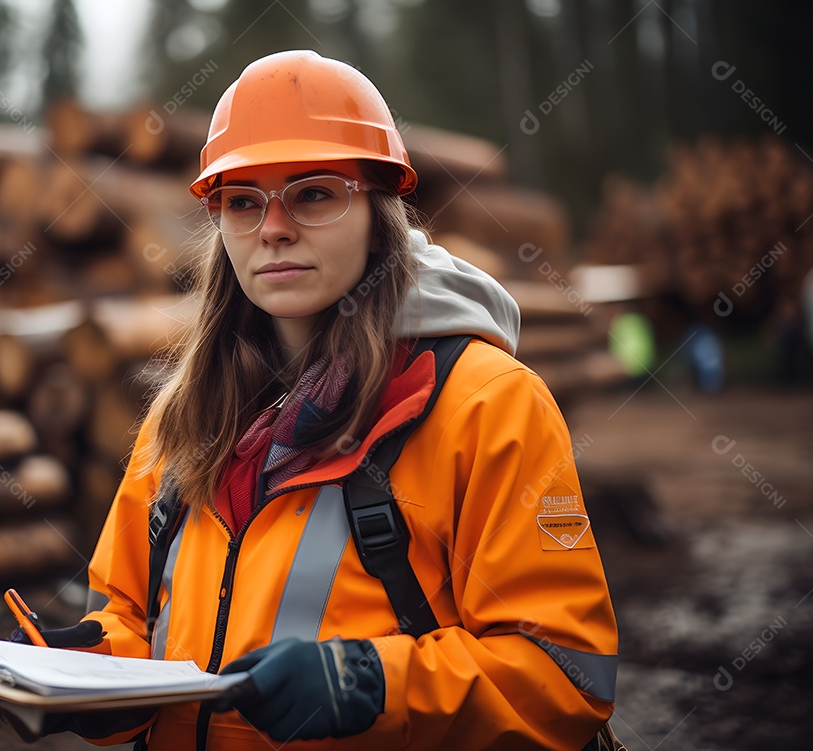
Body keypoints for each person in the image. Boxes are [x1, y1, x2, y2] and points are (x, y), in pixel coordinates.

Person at [39, 50, 618, 750]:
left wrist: (372, 682)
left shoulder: (488, 406)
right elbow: (130, 614)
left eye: (313, 193)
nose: (273, 228)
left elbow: (566, 674)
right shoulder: (180, 417)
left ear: (379, 211)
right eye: (243, 202)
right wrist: (85, 664)